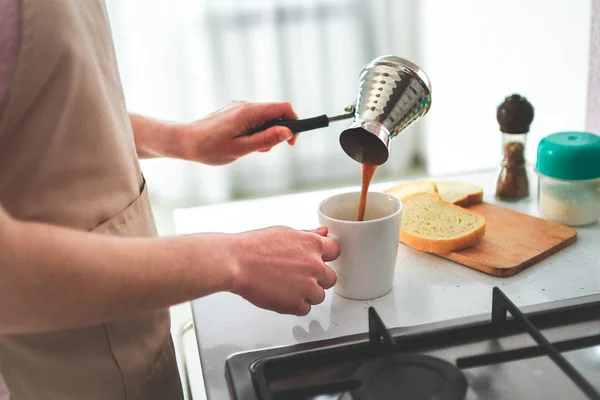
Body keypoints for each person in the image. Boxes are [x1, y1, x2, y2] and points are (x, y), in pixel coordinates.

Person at [0, 1, 341, 399]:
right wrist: (234, 259)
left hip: (128, 338)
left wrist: (179, 139)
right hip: (48, 375)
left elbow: (46, 107)